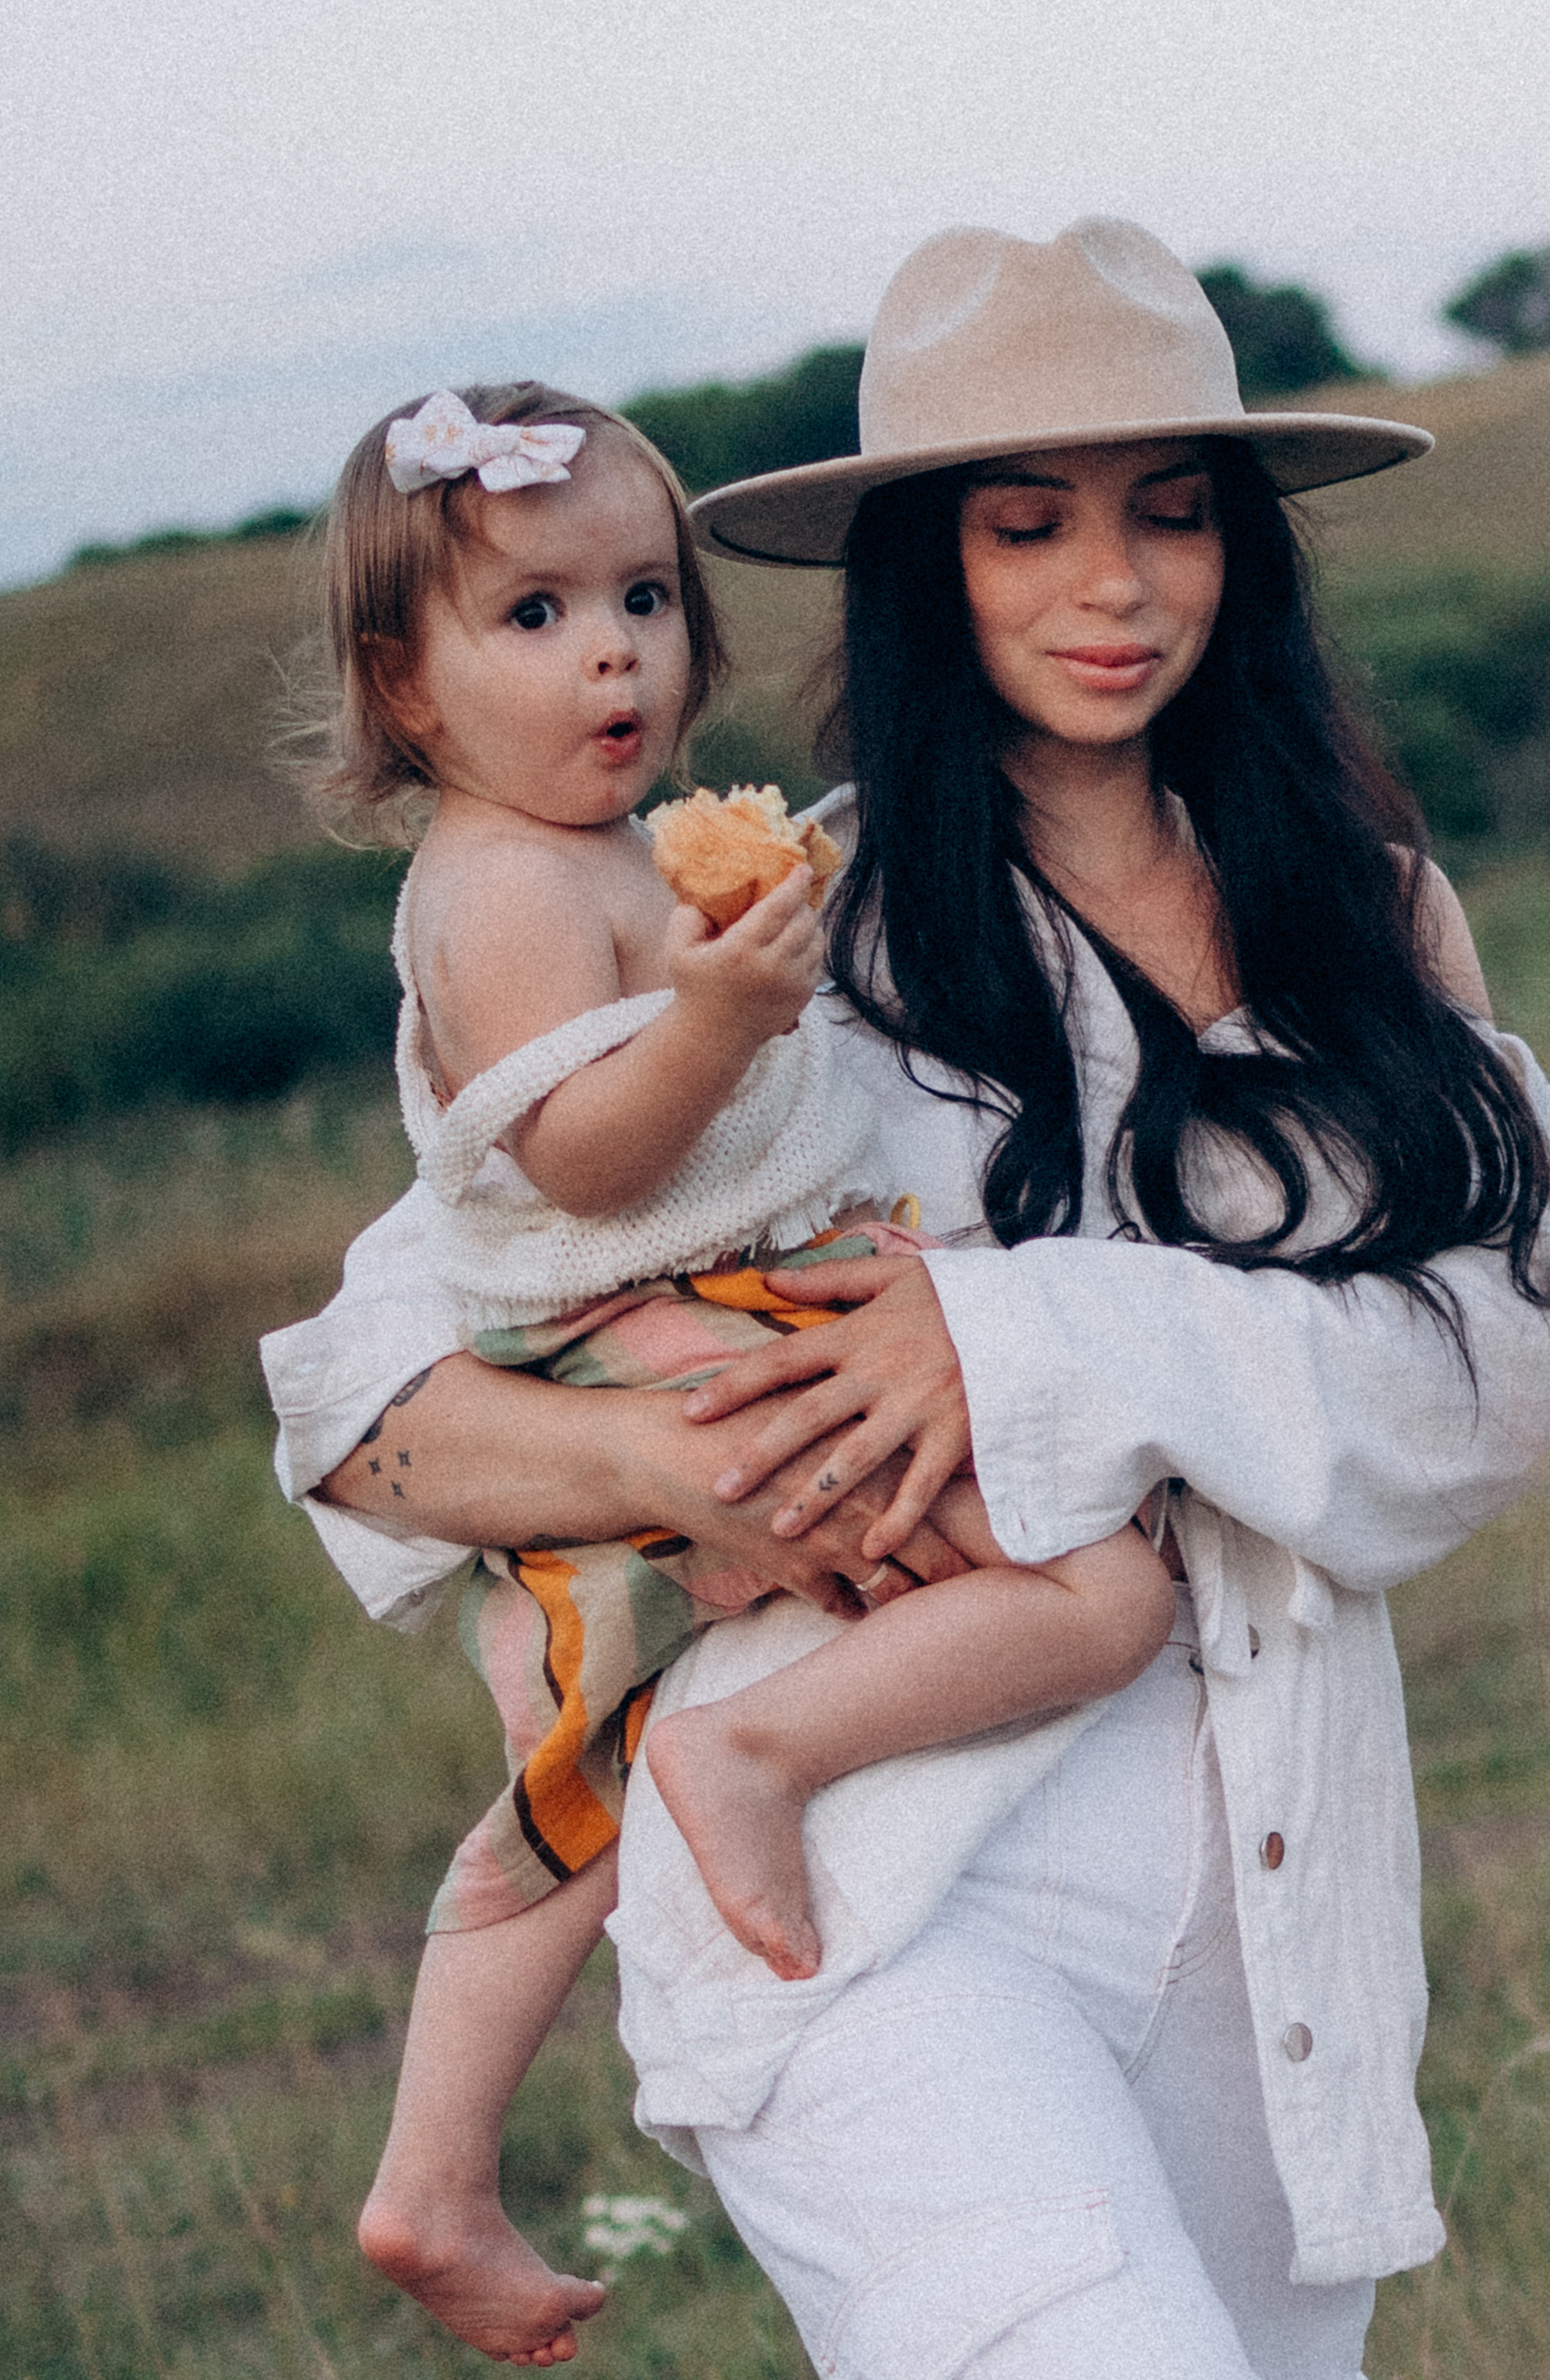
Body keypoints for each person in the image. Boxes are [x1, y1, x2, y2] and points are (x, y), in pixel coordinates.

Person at [264, 220, 1550, 2378]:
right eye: (1025, 525)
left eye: (1171, 514)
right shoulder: (786, 938)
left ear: (1243, 547)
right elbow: (379, 1393)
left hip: (1275, 1900)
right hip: (871, 1872)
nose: (1111, 587)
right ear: (921, 570)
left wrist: (1017, 1345)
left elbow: (1497, 1376)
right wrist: (694, 1460)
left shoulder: (1378, 923)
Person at [281, 366, 1176, 2355]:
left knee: (572, 1768)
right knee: (1103, 1591)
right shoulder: (502, 884)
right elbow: (582, 1156)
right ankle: (760, 1750)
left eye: (643, 601)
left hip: (715, 1303)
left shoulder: (613, 853)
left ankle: (434, 2178)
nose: (611, 653)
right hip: (646, 1332)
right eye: (533, 615)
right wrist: (716, 1021)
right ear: (404, 686)